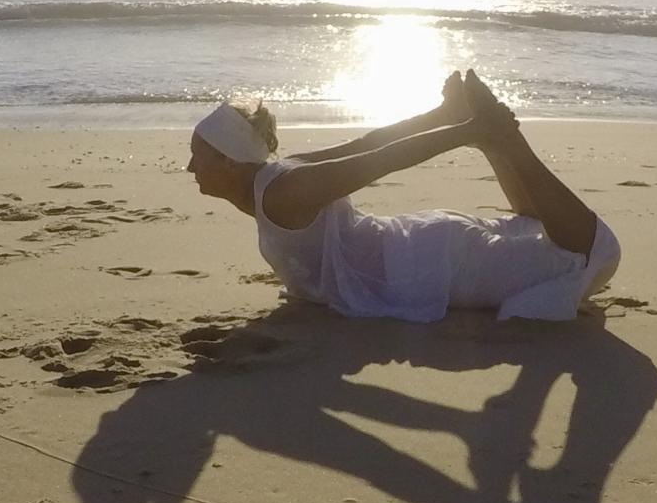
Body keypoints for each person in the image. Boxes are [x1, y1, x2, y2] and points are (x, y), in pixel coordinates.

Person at [186, 70, 620, 321]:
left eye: (197, 157)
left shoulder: (284, 192)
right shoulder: (283, 175)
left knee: (593, 251)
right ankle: (494, 140)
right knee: (540, 229)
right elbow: (367, 144)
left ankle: (499, 138)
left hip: (428, 269)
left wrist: (464, 130)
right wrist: (443, 115)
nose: (189, 168)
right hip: (421, 248)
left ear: (229, 161)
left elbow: (381, 160)